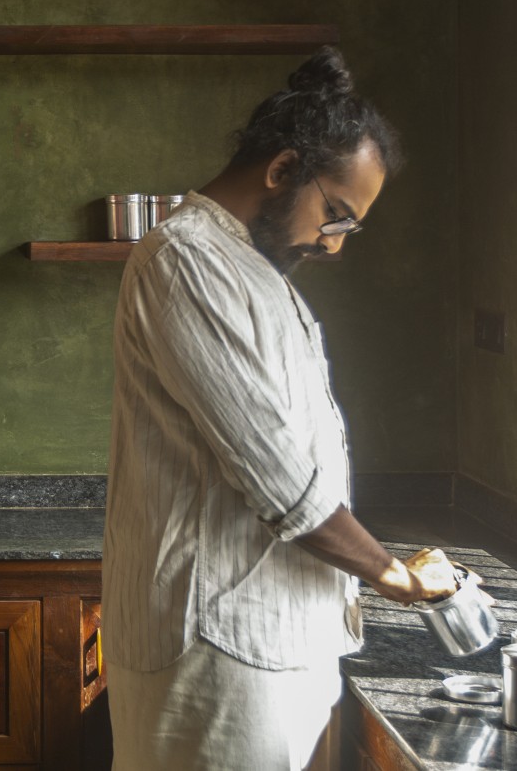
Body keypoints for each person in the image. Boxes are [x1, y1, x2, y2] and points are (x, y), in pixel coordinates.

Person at [101, 46, 457, 770]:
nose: (332, 245)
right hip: (215, 646)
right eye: (335, 214)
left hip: (273, 637)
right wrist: (395, 576)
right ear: (282, 169)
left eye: (347, 228)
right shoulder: (185, 259)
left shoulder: (256, 272)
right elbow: (281, 479)